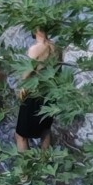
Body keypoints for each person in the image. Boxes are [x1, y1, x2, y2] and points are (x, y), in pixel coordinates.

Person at [15, 24, 58, 152]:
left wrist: (22, 88)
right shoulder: (56, 47)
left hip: (34, 94)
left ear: (35, 29)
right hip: (50, 92)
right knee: (45, 130)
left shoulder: (35, 49)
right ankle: (46, 163)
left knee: (21, 135)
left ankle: (28, 168)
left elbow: (27, 72)